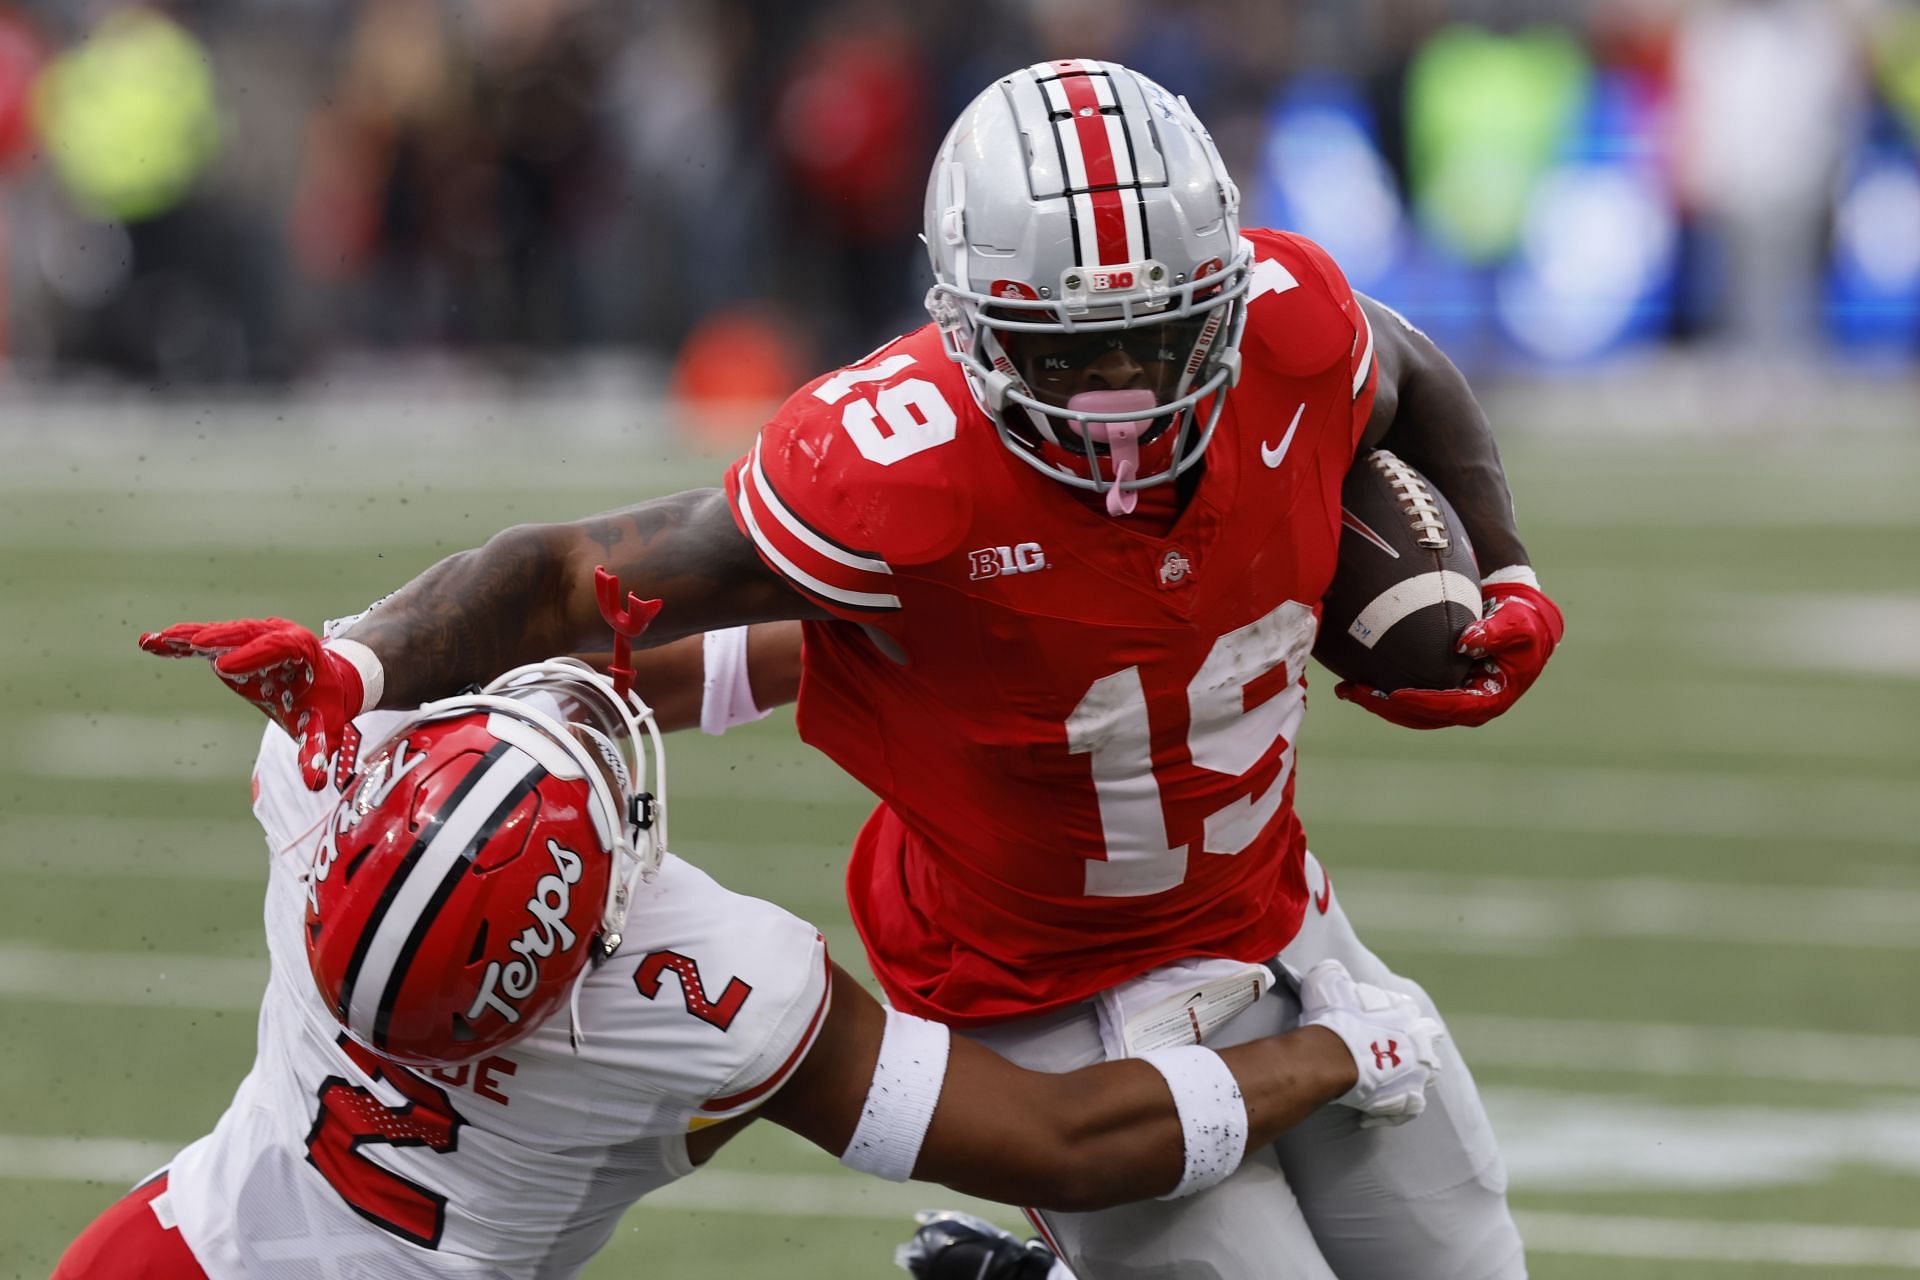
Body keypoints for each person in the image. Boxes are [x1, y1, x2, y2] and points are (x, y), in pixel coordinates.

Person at [148, 59, 1563, 1278]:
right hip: (1036, 986)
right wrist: (366, 653)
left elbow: (1404, 367)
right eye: (1071, 357)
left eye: (1160, 336)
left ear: (1227, 288)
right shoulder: (892, 475)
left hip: (1269, 907)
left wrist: (1501, 566)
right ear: (967, 324)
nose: (1126, 392)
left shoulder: (1289, 323)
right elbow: (583, 576)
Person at [56, 625, 1440, 1279]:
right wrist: (1338, 1053)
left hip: (176, 1254)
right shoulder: (707, 992)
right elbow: (1072, 1144)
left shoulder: (318, 792)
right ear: (587, 942)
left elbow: (515, 672)